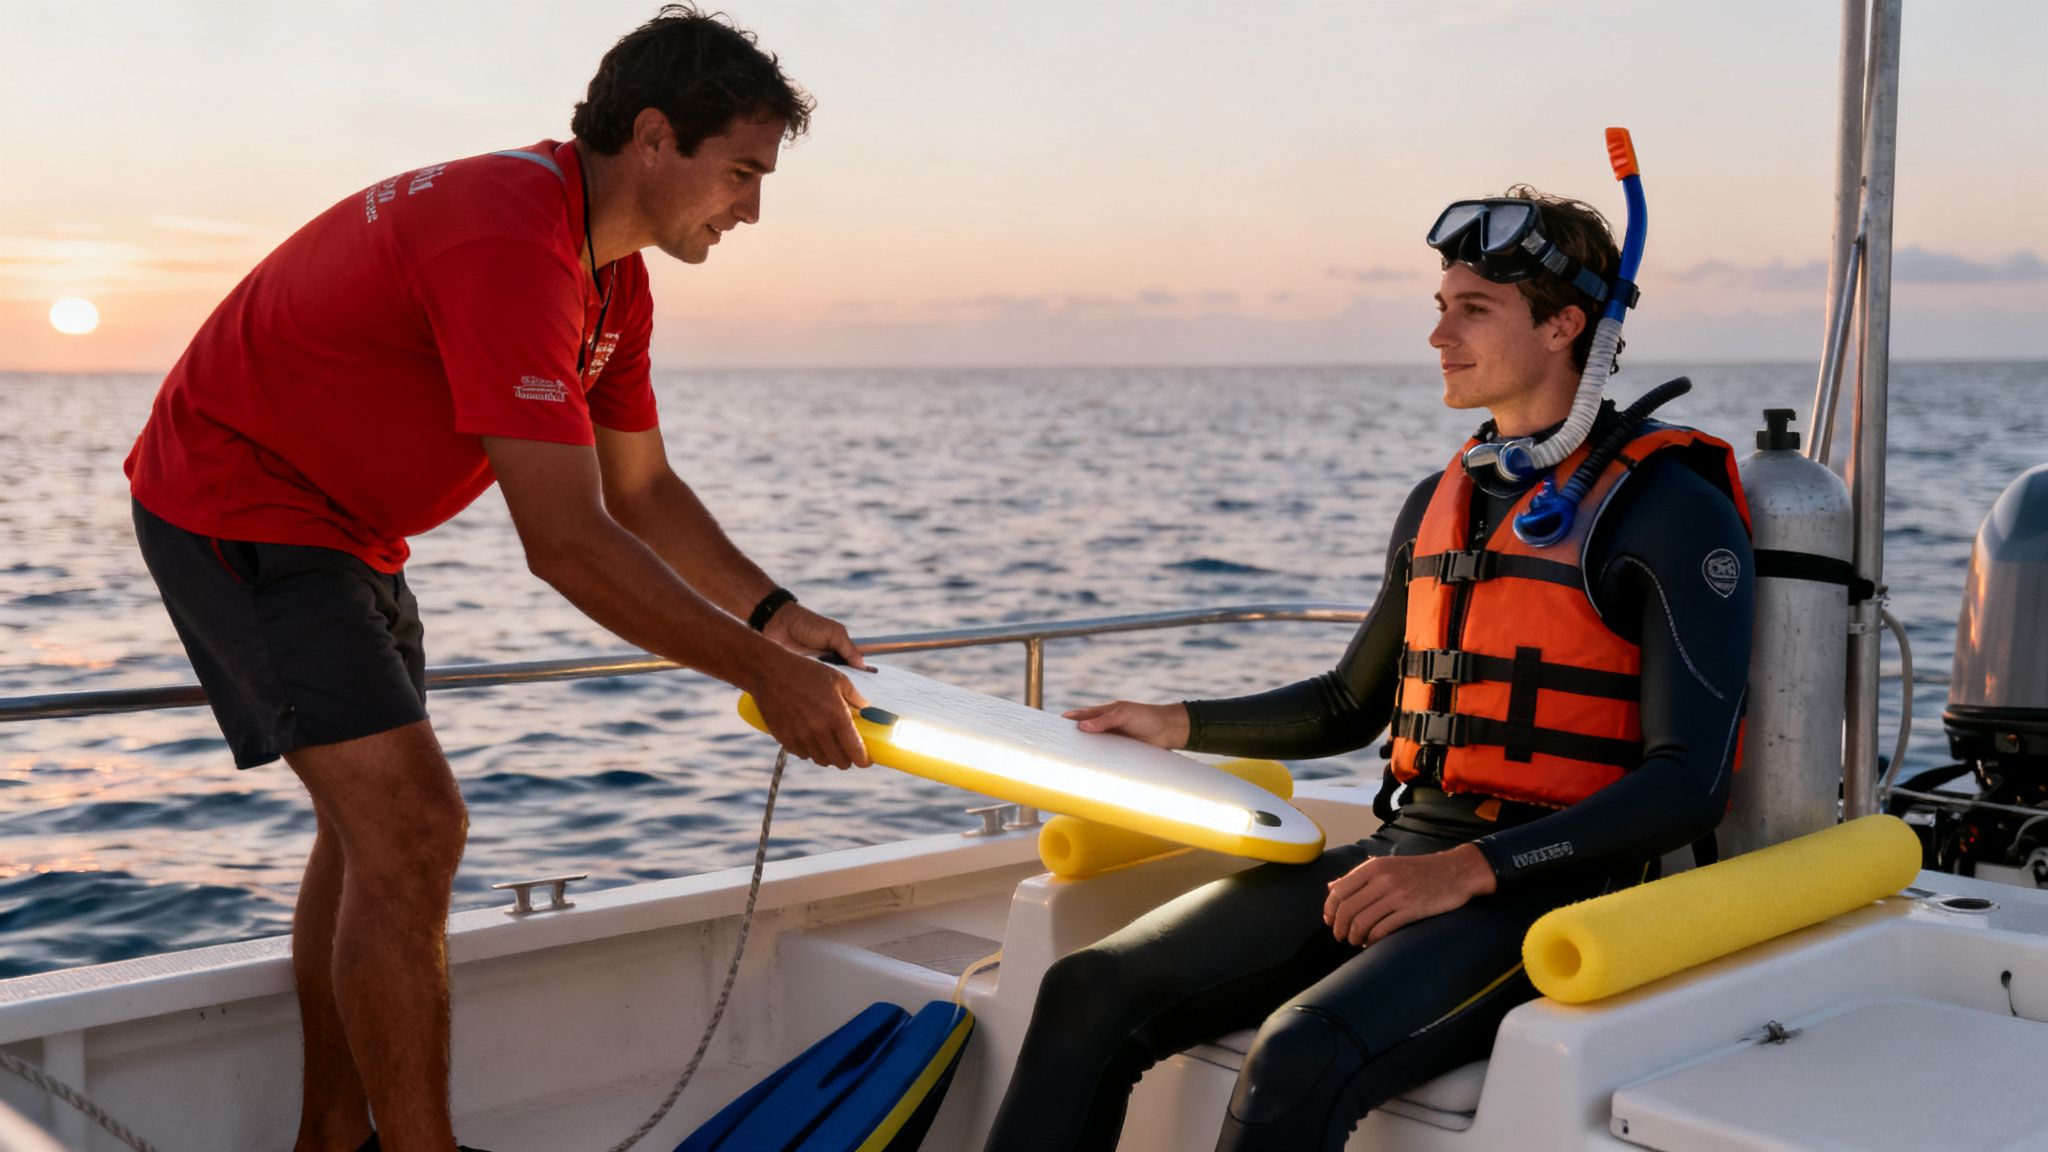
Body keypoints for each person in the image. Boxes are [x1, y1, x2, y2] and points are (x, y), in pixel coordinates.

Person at [123, 9, 870, 1152]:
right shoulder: (505, 240)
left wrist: (777, 616)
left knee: (373, 836)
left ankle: (332, 1139)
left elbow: (643, 494)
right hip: (240, 501)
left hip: (354, 531)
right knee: (416, 829)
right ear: (656, 136)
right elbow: (565, 543)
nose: (751, 209)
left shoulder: (612, 283)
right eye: (740, 173)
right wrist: (764, 675)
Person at [983, 186, 1755, 1152]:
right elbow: (1351, 705)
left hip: (1555, 880)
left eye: (1473, 309)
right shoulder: (1445, 497)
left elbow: (1689, 788)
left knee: (1299, 1053)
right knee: (1087, 987)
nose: (1439, 334)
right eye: (1441, 306)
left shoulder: (1670, 511)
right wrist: (1176, 721)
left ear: (1567, 325)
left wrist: (1469, 871)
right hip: (1406, 851)